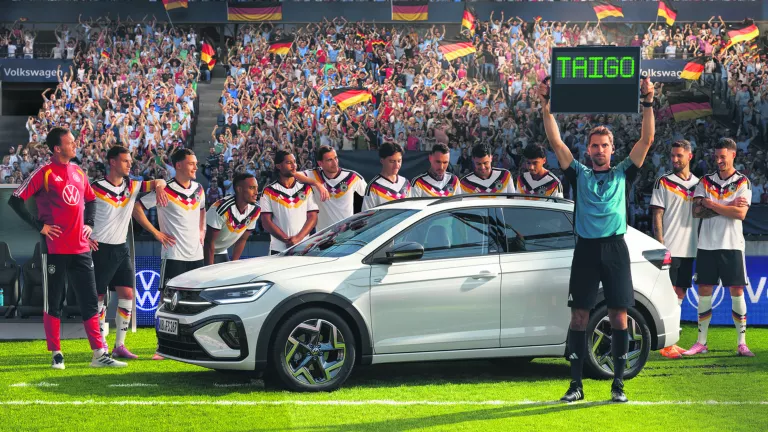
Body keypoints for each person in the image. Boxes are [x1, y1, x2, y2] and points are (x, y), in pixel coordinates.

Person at [538, 76, 655, 403]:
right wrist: (546, 106)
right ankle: (575, 385)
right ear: (588, 149)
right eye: (595, 145)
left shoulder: (623, 173)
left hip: (615, 249)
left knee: (619, 316)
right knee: (579, 317)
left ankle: (618, 384)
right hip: (586, 250)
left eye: (605, 145)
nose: (600, 150)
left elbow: (647, 140)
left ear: (612, 149)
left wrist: (648, 101)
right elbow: (556, 142)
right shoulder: (578, 173)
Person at [7, 127, 126, 369]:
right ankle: (56, 354)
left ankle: (98, 354)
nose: (75, 144)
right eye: (70, 142)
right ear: (57, 148)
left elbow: (91, 200)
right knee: (54, 302)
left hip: (81, 249)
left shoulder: (78, 172)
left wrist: (89, 224)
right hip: (54, 249)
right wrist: (40, 227)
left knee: (89, 301)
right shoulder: (44, 173)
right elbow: (15, 200)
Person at [89, 145, 168, 360]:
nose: (129, 164)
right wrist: (85, 236)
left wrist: (160, 187)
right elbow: (78, 213)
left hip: (121, 248)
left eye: (130, 161)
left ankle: (119, 345)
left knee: (128, 295)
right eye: (125, 161)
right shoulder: (95, 188)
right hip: (100, 248)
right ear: (112, 162)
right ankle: (101, 345)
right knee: (99, 298)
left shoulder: (132, 185)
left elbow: (160, 181)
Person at [684, 138, 754, 358]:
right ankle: (701, 342)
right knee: (704, 290)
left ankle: (742, 343)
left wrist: (711, 203)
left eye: (723, 156)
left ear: (733, 155)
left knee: (737, 291)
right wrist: (727, 205)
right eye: (716, 157)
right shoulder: (705, 181)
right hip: (706, 245)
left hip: (732, 245)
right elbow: (697, 211)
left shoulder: (742, 182)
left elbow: (740, 214)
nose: (719, 160)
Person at [133, 148, 206, 360]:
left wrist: (202, 230)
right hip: (173, 254)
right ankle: (163, 347)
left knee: (197, 302)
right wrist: (156, 232)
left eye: (196, 163)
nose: (195, 167)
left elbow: (202, 209)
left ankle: (194, 344)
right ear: (179, 165)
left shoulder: (199, 189)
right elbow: (137, 208)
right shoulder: (165, 189)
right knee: (166, 301)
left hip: (197, 255)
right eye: (191, 163)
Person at [649, 140, 699, 360]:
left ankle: (672, 341)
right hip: (670, 248)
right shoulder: (664, 181)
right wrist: (661, 246)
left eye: (679, 155)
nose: (675, 159)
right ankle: (666, 343)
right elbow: (657, 214)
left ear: (690, 156)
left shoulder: (699, 184)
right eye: (673, 155)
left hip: (690, 248)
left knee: (679, 295)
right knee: (668, 296)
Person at [260, 150, 319, 255]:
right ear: (278, 166)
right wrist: (287, 240)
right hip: (278, 249)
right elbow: (266, 222)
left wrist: (298, 238)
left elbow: (313, 217)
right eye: (289, 162)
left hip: (304, 247)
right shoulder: (269, 191)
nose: (294, 165)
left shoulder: (306, 188)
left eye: (294, 162)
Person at [302, 145, 367, 231]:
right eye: (329, 160)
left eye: (335, 158)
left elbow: (369, 198)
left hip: (347, 233)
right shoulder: (313, 175)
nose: (335, 163)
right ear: (320, 163)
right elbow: (293, 174)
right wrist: (317, 183)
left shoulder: (352, 177)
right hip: (323, 236)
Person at [204, 173, 261, 265]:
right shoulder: (221, 208)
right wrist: (209, 269)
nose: (256, 192)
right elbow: (208, 242)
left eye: (257, 188)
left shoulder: (256, 210)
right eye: (252, 188)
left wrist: (233, 264)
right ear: (239, 189)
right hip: (201, 249)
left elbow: (242, 239)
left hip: (221, 250)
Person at [362, 143, 411, 210]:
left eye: (399, 161)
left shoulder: (405, 183)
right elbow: (367, 214)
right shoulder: (373, 187)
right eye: (392, 161)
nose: (396, 165)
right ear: (382, 161)